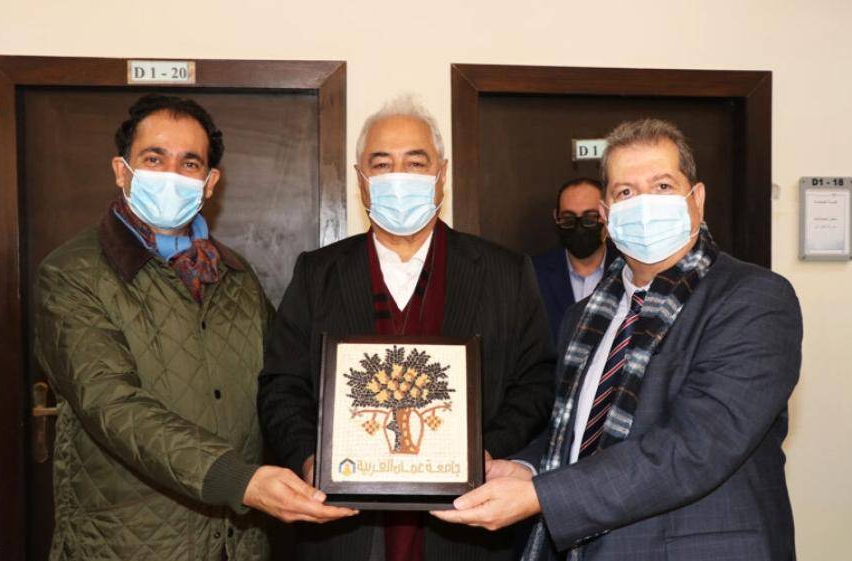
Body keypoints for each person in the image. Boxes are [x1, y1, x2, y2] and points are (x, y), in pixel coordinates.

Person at [432, 118, 802, 561]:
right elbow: (577, 430)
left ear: (697, 199)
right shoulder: (585, 316)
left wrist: (541, 495)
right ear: (607, 214)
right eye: (626, 191)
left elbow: (695, 446)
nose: (644, 203)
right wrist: (526, 466)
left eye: (662, 186)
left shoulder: (753, 299)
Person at [35, 93, 353, 561]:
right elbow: (112, 403)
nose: (171, 175)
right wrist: (238, 481)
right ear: (122, 171)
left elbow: (284, 378)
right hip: (130, 544)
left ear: (209, 182)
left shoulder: (235, 276)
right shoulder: (71, 274)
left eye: (189, 163)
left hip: (238, 543)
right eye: (153, 158)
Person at [257, 95, 555, 561]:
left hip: (466, 533)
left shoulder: (505, 272)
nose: (399, 177)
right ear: (360, 179)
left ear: (442, 174)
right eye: (382, 164)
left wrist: (484, 451)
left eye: (416, 163)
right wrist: (310, 457)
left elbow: (536, 381)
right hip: (342, 533)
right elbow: (282, 384)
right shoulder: (318, 273)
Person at [533, 178, 617, 341]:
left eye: (589, 218)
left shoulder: (629, 271)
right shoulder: (534, 275)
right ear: (556, 218)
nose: (579, 228)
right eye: (568, 219)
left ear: (606, 215)